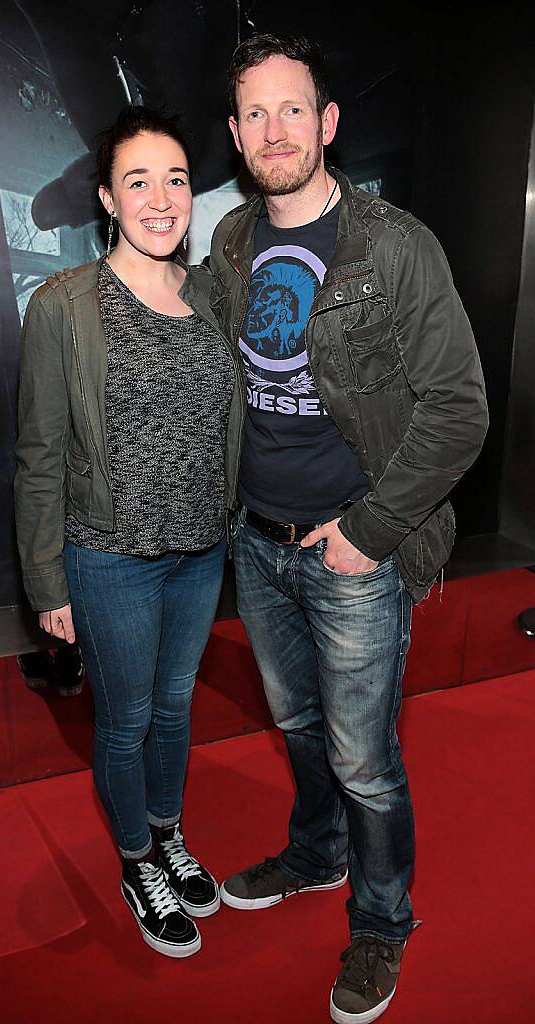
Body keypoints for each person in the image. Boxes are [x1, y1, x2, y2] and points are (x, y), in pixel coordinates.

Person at [208, 34, 489, 1023]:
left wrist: (370, 529)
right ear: (238, 134)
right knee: (296, 727)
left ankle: (381, 923)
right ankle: (316, 854)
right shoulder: (233, 242)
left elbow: (459, 407)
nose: (275, 130)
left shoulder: (393, 245)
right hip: (260, 541)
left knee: (365, 759)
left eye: (294, 109)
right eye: (255, 113)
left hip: (353, 551)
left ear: (328, 124)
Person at [15, 105, 242, 958]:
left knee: (177, 707)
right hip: (108, 558)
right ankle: (138, 859)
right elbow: (38, 453)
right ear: (107, 198)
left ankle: (167, 829)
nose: (160, 198)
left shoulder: (212, 293)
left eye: (176, 179)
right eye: (137, 180)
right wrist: (46, 583)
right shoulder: (65, 305)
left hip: (198, 551)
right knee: (127, 717)